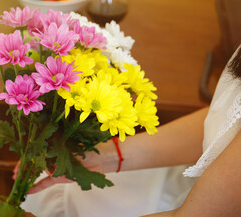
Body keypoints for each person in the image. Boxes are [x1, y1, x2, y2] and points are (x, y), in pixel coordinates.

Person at [19, 44, 241, 217]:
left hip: (194, 205)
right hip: (200, 180)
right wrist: (107, 156)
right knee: (54, 191)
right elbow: (223, 122)